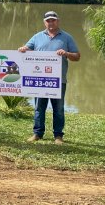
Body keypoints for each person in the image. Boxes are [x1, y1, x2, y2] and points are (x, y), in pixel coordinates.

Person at [19, 11, 80, 145]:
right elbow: (27, 49)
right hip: (40, 80)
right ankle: (37, 133)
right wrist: (23, 49)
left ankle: (58, 136)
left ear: (58, 21)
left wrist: (66, 53)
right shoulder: (37, 37)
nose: (50, 23)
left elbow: (77, 56)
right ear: (44, 22)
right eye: (48, 20)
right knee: (39, 107)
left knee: (58, 109)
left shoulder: (67, 37)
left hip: (58, 81)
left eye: (53, 20)